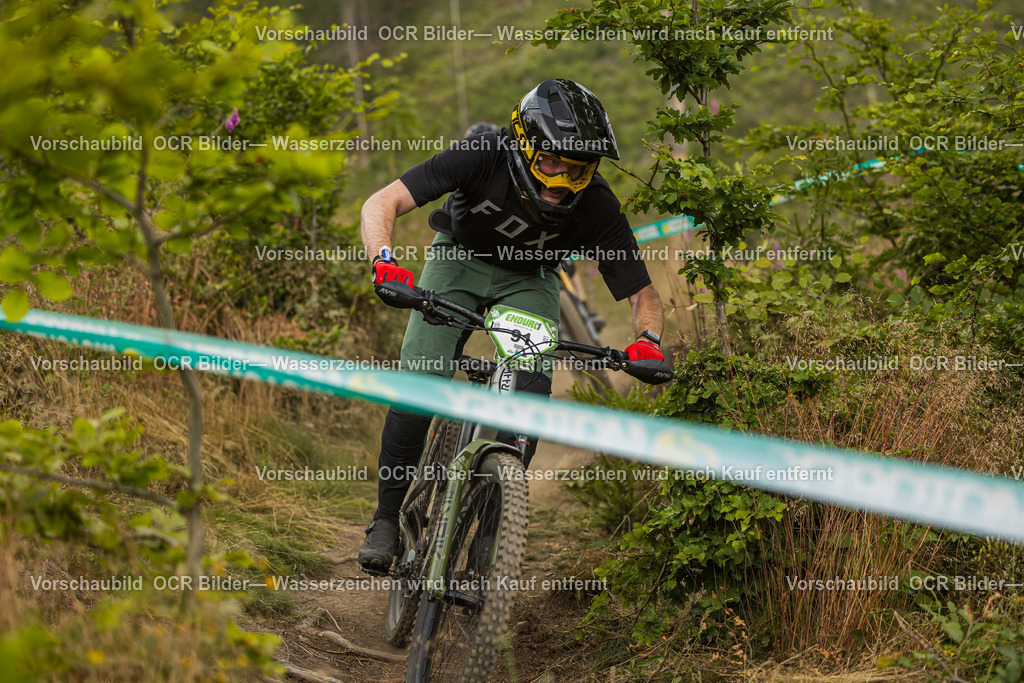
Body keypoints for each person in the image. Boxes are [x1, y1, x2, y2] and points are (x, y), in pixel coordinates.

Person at [357, 78, 665, 573]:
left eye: (577, 169)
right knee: (421, 379)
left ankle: (493, 534)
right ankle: (387, 518)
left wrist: (647, 340)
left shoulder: (597, 204)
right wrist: (384, 263)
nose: (561, 180)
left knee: (525, 405)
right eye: (551, 162)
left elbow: (641, 293)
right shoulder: (483, 153)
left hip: (531, 279)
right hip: (460, 259)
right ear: (524, 144)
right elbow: (381, 202)